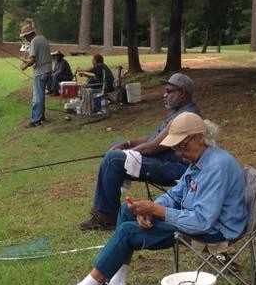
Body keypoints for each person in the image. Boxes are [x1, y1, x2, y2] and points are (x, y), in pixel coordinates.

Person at [44, 112, 247, 285]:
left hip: (215, 231)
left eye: (182, 146)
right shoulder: (199, 160)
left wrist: (158, 210)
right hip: (198, 221)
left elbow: (202, 221)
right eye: (175, 148)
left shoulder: (217, 166)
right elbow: (176, 194)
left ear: (199, 138)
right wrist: (150, 209)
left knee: (126, 232)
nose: (179, 154)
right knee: (127, 210)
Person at [79, 72, 200, 230]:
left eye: (169, 91)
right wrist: (126, 144)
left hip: (175, 167)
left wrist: (127, 153)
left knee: (115, 159)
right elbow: (152, 138)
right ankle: (106, 211)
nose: (164, 95)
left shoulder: (186, 116)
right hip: (162, 160)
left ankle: (106, 217)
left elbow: (153, 147)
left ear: (183, 93)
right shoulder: (177, 112)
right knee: (116, 149)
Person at [20, 22, 52, 128]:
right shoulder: (43, 38)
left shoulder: (34, 41)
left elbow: (33, 59)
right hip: (48, 70)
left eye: (25, 36)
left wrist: (25, 66)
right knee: (41, 95)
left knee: (37, 97)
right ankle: (41, 117)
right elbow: (38, 57)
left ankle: (36, 121)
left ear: (29, 34)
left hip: (40, 72)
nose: (25, 39)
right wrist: (27, 61)